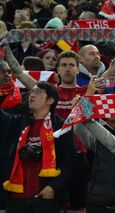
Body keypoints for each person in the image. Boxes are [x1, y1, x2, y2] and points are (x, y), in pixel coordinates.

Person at [0, 81, 76, 213]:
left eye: (38, 92)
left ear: (50, 100)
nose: (31, 95)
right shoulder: (17, 123)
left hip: (45, 197)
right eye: (31, 92)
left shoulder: (60, 127)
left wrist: (53, 187)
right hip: (16, 197)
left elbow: (71, 160)